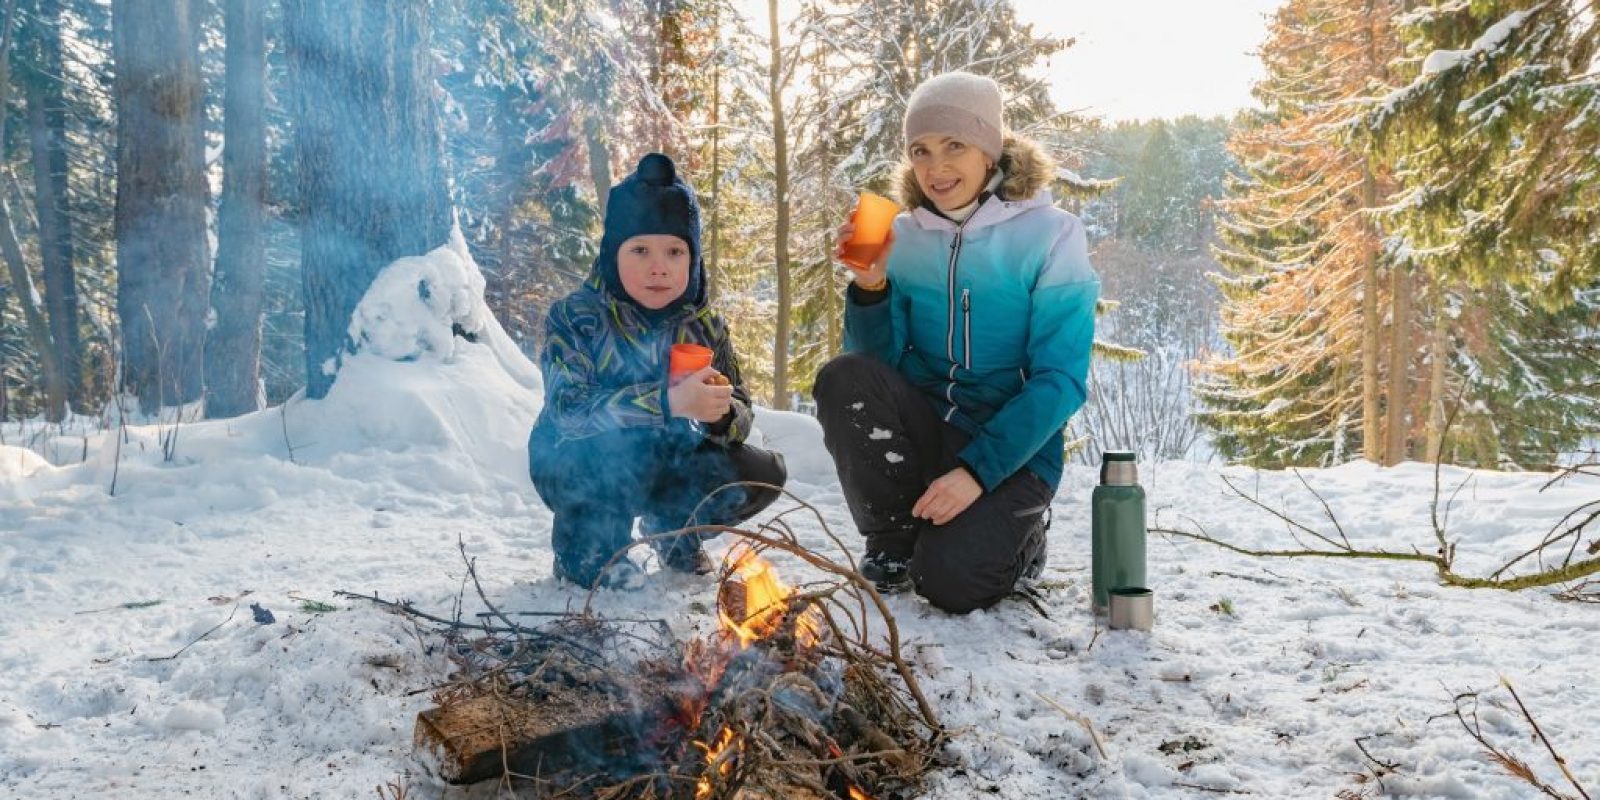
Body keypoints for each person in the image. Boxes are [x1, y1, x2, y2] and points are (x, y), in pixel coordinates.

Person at [813, 71, 1100, 613]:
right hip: (929, 426)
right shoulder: (905, 236)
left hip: (1013, 449)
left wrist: (976, 472)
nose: (936, 168)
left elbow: (1059, 380)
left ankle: (1024, 542)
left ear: (989, 151)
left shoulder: (1051, 235)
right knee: (841, 377)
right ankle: (893, 539)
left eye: (954, 146)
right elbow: (875, 371)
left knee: (950, 585)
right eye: (920, 150)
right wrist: (871, 287)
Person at [528, 153, 787, 590]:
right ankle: (589, 548)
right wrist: (666, 401)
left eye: (674, 251)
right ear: (613, 254)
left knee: (763, 471)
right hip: (578, 464)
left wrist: (722, 414)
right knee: (597, 520)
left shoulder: (705, 325)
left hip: (668, 459)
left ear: (693, 259)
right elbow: (569, 410)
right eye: (640, 250)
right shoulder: (575, 318)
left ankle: (673, 531)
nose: (658, 266)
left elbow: (741, 405)